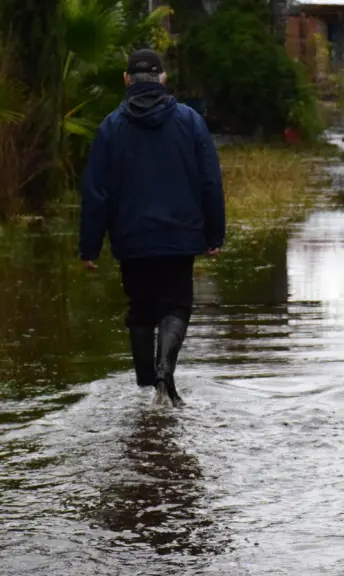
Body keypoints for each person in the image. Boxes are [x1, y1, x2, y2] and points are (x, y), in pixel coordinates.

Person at [79, 49, 225, 407]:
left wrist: (90, 246)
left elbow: (96, 192)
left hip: (132, 238)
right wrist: (214, 233)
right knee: (176, 304)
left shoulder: (111, 126)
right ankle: (165, 373)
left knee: (141, 308)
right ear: (163, 79)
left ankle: (146, 384)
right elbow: (210, 181)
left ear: (127, 80)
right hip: (180, 237)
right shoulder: (190, 121)